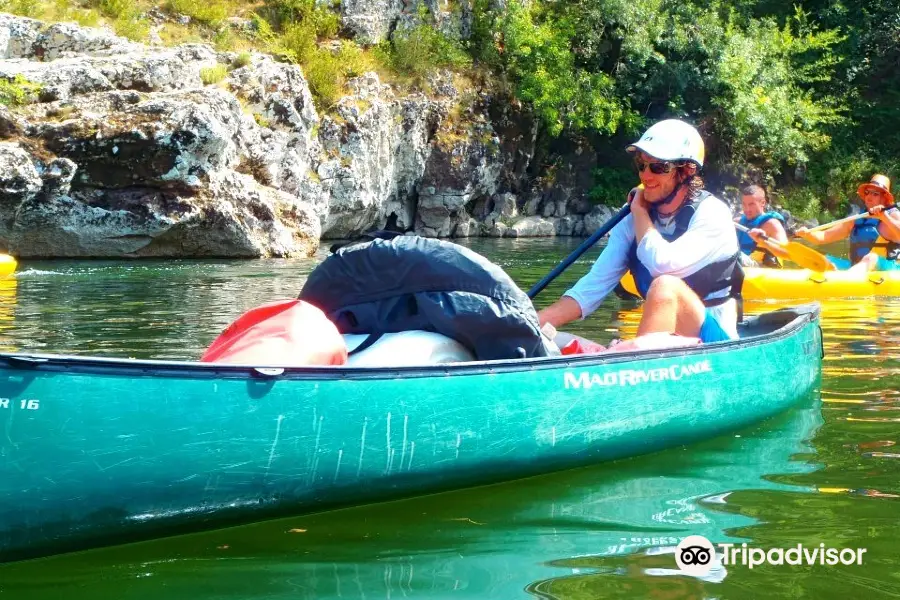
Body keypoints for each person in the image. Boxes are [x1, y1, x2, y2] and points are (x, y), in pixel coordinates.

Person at [537, 119, 743, 343]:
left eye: (659, 167)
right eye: (642, 165)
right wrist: (533, 322)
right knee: (544, 337)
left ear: (686, 171)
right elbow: (592, 287)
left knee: (666, 286)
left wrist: (640, 213)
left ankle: (638, 363)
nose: (646, 176)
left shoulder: (712, 213)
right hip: (662, 344)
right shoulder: (632, 219)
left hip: (716, 343)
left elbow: (663, 265)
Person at [795, 174, 900, 272]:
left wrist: (884, 217)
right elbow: (824, 236)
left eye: (875, 194)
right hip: (856, 268)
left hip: (885, 269)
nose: (869, 196)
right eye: (868, 192)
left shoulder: (892, 215)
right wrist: (807, 234)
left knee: (871, 257)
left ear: (885, 198)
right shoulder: (858, 218)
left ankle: (846, 280)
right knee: (824, 260)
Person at [735, 184, 789, 268]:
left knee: (732, 256)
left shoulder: (772, 224)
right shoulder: (737, 222)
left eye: (751, 204)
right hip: (742, 266)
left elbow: (786, 252)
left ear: (763, 202)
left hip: (763, 269)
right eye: (744, 204)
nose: (747, 209)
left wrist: (764, 242)